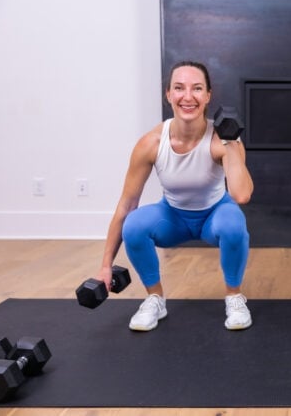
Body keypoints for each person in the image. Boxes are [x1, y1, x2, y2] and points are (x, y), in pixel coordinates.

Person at [96, 61, 254, 332]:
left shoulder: (222, 139)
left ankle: (234, 297)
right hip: (173, 217)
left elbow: (240, 195)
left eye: (197, 89)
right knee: (134, 224)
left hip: (214, 214)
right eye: (179, 88)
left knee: (233, 224)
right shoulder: (152, 143)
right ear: (168, 94)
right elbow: (127, 203)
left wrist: (231, 144)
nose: (188, 96)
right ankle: (155, 299)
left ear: (208, 96)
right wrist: (105, 265)